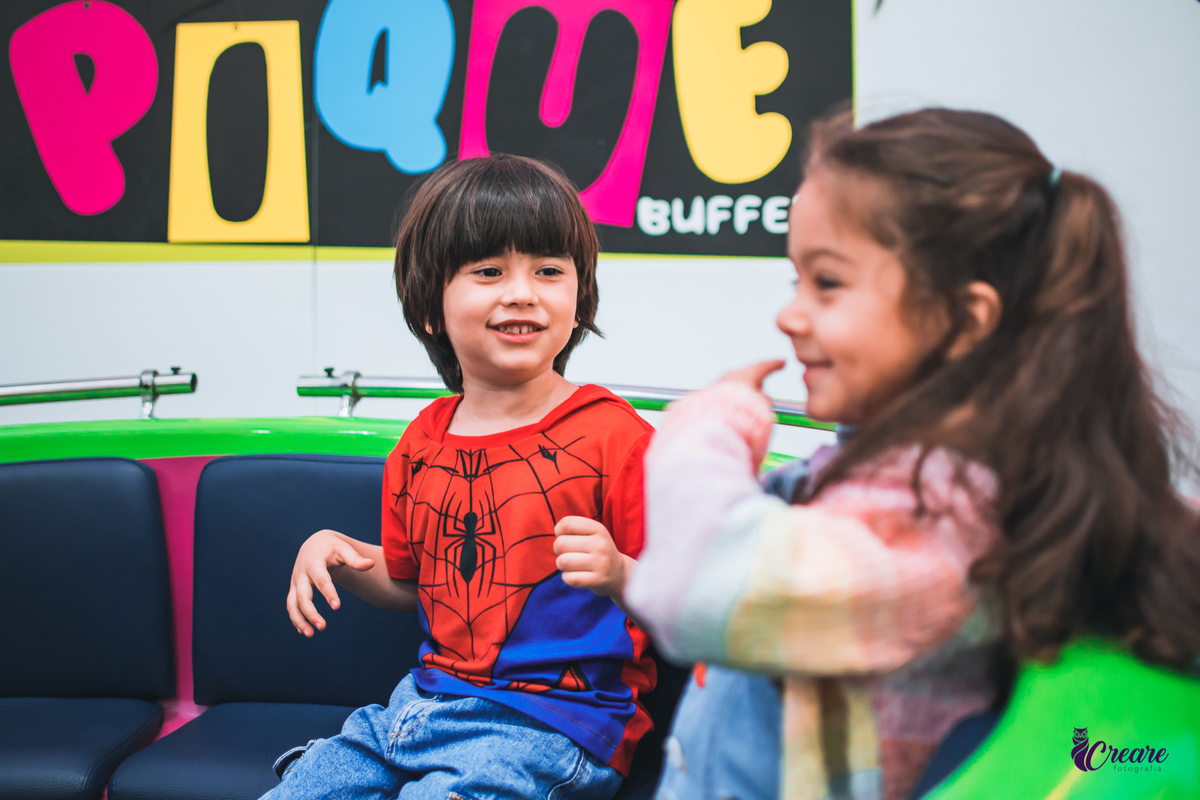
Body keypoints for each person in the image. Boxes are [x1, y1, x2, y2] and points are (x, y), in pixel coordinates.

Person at [625, 107, 1200, 800]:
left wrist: (709, 424)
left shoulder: (940, 513)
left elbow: (696, 587)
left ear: (964, 319)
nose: (790, 314)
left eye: (828, 283)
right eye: (795, 280)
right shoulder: (906, 482)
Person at [268, 154, 656, 800]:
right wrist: (338, 554)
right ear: (430, 307)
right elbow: (414, 580)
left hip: (554, 727)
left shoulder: (614, 436)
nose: (523, 291)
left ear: (579, 296)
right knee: (305, 786)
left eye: (549, 270)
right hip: (415, 709)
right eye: (488, 271)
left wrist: (619, 571)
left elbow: (690, 598)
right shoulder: (422, 440)